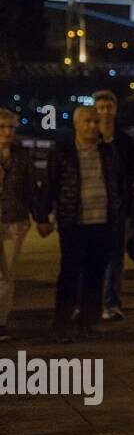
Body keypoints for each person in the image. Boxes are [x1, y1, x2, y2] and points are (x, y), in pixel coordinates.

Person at [43, 105, 121, 342]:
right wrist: (43, 215)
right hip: (73, 222)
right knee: (69, 274)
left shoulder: (108, 152)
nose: (92, 126)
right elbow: (50, 184)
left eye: (96, 122)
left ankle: (90, 321)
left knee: (95, 274)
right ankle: (63, 323)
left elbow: (118, 182)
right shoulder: (62, 152)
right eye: (87, 121)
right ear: (76, 124)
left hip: (102, 221)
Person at [93, 90, 134, 322]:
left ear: (115, 110)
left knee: (115, 258)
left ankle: (112, 302)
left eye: (109, 107)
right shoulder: (88, 141)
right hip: (90, 207)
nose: (105, 112)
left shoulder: (126, 142)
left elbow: (131, 174)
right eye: (100, 107)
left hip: (118, 207)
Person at [0, 109, 43, 342]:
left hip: (14, 220)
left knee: (6, 273)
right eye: (2, 127)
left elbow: (31, 189)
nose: (7, 132)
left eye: (11, 127)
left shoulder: (21, 155)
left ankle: (0, 322)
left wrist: (40, 218)